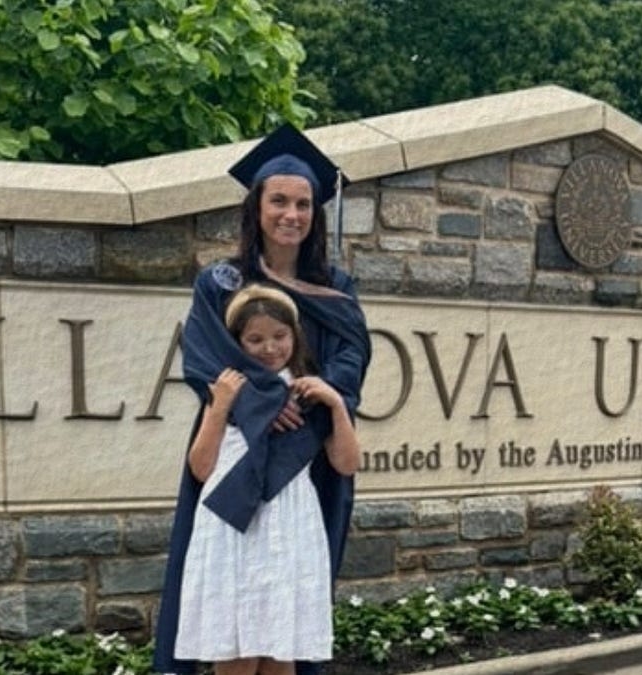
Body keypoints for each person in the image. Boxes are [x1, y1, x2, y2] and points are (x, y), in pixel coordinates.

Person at [154, 123, 372, 675]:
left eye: (303, 203)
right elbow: (205, 358)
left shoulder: (336, 287)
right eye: (279, 201)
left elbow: (351, 355)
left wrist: (314, 400)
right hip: (238, 446)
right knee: (232, 613)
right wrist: (268, 402)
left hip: (306, 453)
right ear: (256, 206)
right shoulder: (221, 282)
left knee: (286, 615)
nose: (291, 214)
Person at [173, 285, 360, 675]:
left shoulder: (308, 392)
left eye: (279, 335)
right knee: (237, 653)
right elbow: (201, 468)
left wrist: (336, 404)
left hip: (290, 522)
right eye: (255, 339)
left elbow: (346, 463)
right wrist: (220, 406)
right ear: (237, 342)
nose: (270, 348)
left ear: (294, 335)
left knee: (280, 650)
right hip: (232, 526)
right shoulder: (228, 390)